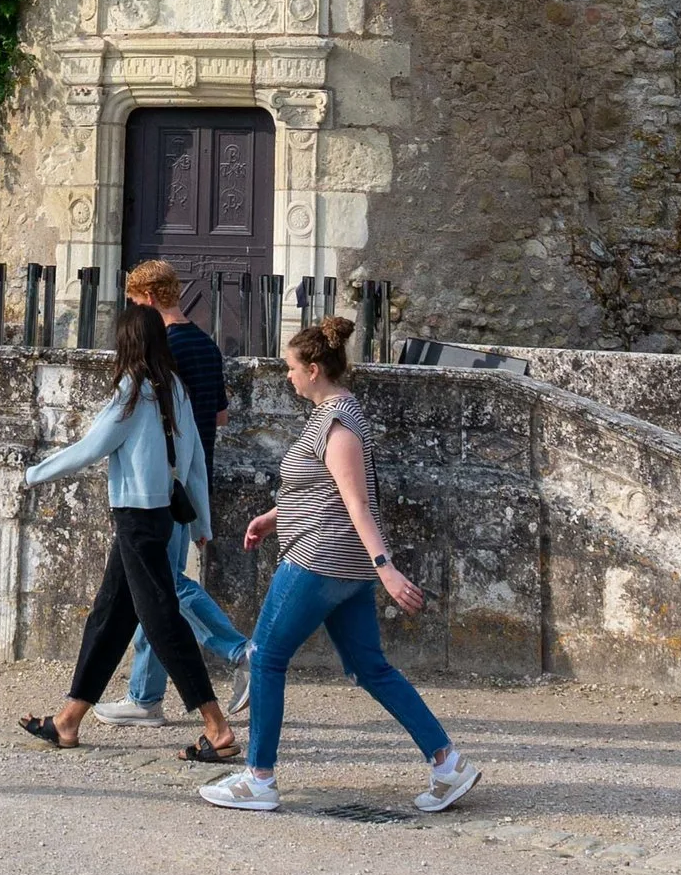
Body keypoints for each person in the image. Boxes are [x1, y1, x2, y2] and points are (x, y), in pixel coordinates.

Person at [197, 315, 480, 816]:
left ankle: (259, 778)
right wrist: (272, 516)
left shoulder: (337, 422)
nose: (286, 376)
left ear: (312, 368)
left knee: (264, 657)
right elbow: (318, 489)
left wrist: (386, 567)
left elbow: (356, 502)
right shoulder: (334, 414)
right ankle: (447, 763)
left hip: (320, 558)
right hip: (340, 564)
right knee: (370, 667)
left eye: (290, 368)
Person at [17, 300, 245, 761]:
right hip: (157, 516)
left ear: (126, 342)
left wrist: (31, 474)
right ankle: (68, 720)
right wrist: (200, 520)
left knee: (161, 618)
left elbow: (93, 446)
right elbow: (195, 460)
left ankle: (217, 729)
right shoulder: (174, 388)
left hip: (136, 519)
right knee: (110, 617)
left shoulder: (132, 389)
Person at [91, 259, 253, 723]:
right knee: (153, 591)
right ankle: (145, 696)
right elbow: (218, 417)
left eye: (132, 303)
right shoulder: (204, 343)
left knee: (162, 586)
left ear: (145, 299)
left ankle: (241, 651)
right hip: (190, 484)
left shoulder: (165, 350)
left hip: (163, 486)